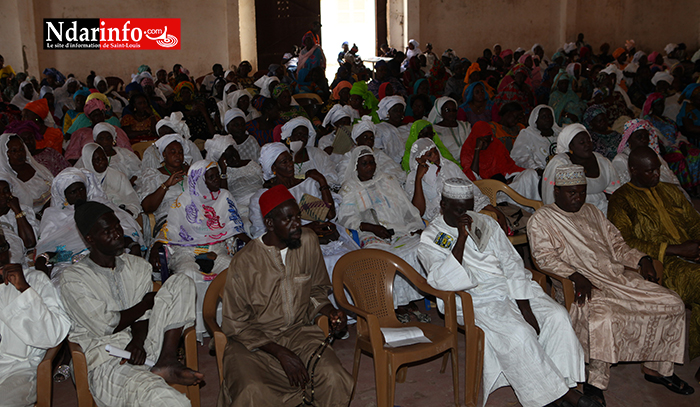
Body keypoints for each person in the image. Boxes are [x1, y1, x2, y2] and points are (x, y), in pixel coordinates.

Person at [417, 177, 597, 407]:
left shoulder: (485, 223)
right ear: (443, 206)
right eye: (458, 209)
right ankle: (561, 397)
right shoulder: (431, 238)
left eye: (468, 207)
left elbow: (511, 261)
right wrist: (461, 238)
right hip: (474, 298)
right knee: (519, 333)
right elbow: (442, 280)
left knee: (557, 316)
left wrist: (525, 306)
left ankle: (560, 384)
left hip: (510, 288)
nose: (465, 214)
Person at [529, 164, 693, 405]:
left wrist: (641, 258)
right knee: (602, 318)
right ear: (557, 192)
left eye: (582, 192)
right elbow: (543, 257)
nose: (578, 198)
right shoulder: (541, 219)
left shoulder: (593, 212)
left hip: (618, 279)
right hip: (581, 288)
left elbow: (617, 246)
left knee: (673, 303)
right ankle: (595, 382)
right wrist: (575, 275)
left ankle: (657, 369)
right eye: (571, 192)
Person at [219, 185, 352, 406]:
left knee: (333, 376)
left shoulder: (308, 242)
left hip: (299, 333)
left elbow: (316, 290)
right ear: (270, 224)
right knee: (252, 391)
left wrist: (331, 312)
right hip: (254, 344)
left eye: (298, 217)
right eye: (288, 219)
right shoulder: (245, 262)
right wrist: (281, 353)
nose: (297, 224)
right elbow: (236, 324)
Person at [60, 201, 203, 407]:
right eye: (107, 231)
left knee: (182, 281)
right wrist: (145, 303)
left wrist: (137, 341)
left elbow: (142, 319)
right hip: (107, 360)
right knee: (161, 398)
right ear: (90, 239)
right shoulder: (74, 278)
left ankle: (167, 360)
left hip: (145, 346)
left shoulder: (137, 266)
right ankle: (158, 375)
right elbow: (105, 325)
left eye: (117, 226)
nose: (117, 234)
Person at [608, 146, 700, 376]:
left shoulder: (672, 191)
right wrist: (676, 249)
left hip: (691, 252)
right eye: (649, 172)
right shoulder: (622, 199)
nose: (656, 175)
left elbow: (694, 222)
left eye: (657, 169)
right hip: (663, 264)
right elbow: (625, 242)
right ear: (633, 170)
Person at [338, 146, 429, 321]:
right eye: (364, 164)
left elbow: (406, 207)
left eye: (371, 162)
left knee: (418, 247)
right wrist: (373, 228)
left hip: (400, 230)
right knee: (383, 258)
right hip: (371, 233)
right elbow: (346, 217)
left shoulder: (388, 179)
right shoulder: (350, 188)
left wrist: (414, 226)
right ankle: (394, 303)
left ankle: (408, 299)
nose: (369, 167)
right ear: (356, 166)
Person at [0, 231, 71, 407]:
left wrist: (24, 290)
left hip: (17, 372)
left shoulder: (34, 280)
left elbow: (53, 335)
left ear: (7, 250)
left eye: (1, 247)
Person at [37, 168, 144, 283]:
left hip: (107, 257)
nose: (79, 194)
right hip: (69, 265)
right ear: (65, 196)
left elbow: (122, 230)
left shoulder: (99, 206)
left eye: (81, 189)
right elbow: (47, 247)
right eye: (73, 192)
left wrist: (132, 244)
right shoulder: (54, 216)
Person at [541, 124, 621, 214]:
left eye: (589, 141)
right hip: (572, 214)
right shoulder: (561, 164)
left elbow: (614, 191)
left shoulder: (601, 161)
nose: (587, 145)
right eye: (582, 143)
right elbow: (551, 198)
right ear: (571, 146)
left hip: (603, 211)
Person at [460, 121, 541, 202]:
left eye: (488, 140)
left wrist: (511, 177)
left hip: (504, 185)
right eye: (483, 141)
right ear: (476, 138)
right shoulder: (468, 149)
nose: (486, 144)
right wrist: (477, 149)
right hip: (484, 188)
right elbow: (472, 177)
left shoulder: (495, 144)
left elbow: (508, 166)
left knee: (531, 173)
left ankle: (533, 206)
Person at [643, 93, 700, 192]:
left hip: (677, 143)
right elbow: (654, 135)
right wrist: (670, 145)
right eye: (659, 105)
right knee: (679, 156)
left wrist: (681, 143)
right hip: (664, 147)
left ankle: (695, 183)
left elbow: (678, 134)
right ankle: (688, 187)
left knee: (696, 153)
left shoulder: (667, 119)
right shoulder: (648, 120)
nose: (661, 107)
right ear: (652, 106)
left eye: (662, 104)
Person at [204, 134, 263, 229]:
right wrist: (223, 171)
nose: (234, 158)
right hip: (242, 207)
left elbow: (263, 182)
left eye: (234, 153)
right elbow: (224, 195)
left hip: (261, 198)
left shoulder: (251, 163)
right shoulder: (221, 175)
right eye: (228, 158)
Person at [612, 119, 684, 192]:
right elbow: (625, 188)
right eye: (639, 136)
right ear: (629, 139)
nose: (643, 139)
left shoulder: (654, 155)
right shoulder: (621, 160)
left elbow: (671, 177)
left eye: (646, 136)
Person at [76, 143, 142, 217]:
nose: (102, 162)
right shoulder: (82, 180)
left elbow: (133, 201)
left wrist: (128, 212)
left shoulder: (119, 176)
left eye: (104, 158)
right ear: (88, 162)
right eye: (97, 160)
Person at [336, 116, 406, 185]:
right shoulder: (349, 155)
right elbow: (343, 178)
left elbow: (397, 172)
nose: (369, 140)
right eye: (365, 137)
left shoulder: (378, 153)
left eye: (371, 138)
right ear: (357, 139)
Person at [64, 99, 134, 162]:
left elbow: (127, 152)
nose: (98, 118)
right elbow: (71, 156)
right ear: (90, 118)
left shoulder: (116, 130)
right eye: (95, 115)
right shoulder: (80, 133)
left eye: (101, 114)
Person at [0, 133, 53, 215]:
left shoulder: (37, 168)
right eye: (14, 151)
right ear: (4, 154)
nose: (19, 154)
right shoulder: (5, 180)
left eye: (21, 149)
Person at [278, 117, 339, 187]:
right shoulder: (283, 159)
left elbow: (332, 175)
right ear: (290, 136)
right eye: (298, 134)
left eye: (305, 136)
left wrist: (317, 184)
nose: (301, 138)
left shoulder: (317, 153)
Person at [4, 120, 70, 176]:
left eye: (30, 138)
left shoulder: (50, 152)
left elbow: (69, 171)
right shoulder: (19, 162)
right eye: (23, 140)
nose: (28, 142)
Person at [511, 105, 561, 172]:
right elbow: (521, 157)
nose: (548, 119)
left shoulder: (560, 134)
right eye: (543, 117)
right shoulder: (527, 134)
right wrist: (537, 169)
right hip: (537, 173)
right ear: (535, 120)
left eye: (550, 116)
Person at [375, 96, 410, 164]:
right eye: (395, 110)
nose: (398, 113)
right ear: (388, 113)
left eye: (401, 110)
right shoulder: (379, 128)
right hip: (388, 165)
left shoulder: (409, 127)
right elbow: (378, 151)